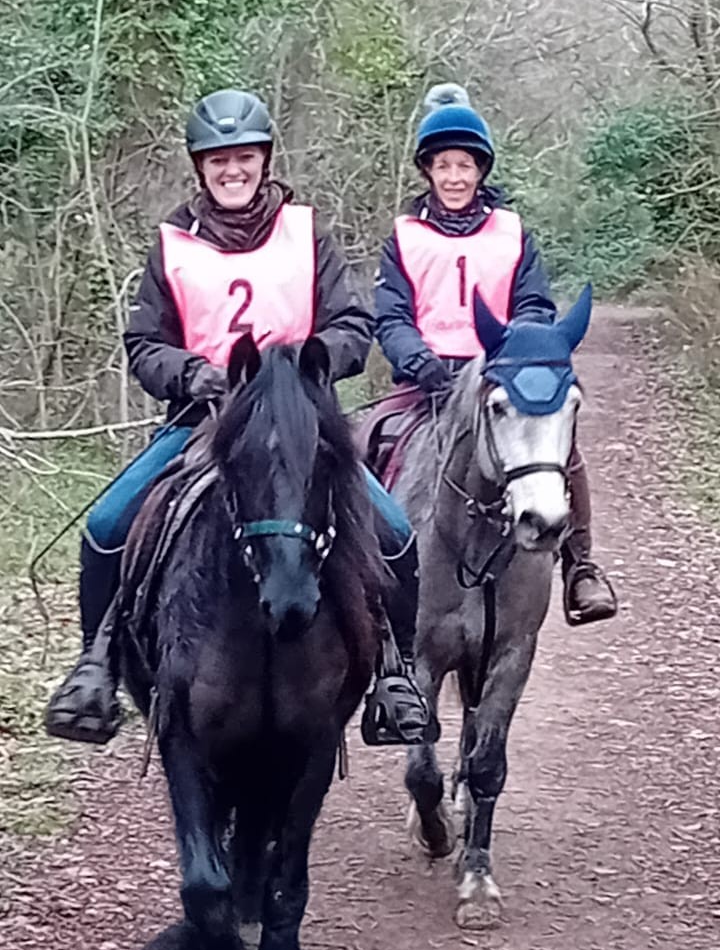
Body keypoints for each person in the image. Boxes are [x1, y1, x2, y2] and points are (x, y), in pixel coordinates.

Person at [45, 89, 427, 747]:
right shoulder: (173, 244)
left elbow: (354, 326)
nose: (232, 170)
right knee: (106, 527)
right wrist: (193, 372)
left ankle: (395, 675)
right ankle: (97, 666)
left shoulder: (308, 235)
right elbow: (145, 344)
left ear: (264, 161)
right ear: (200, 168)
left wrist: (306, 364)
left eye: (244, 158)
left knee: (394, 533)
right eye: (218, 160)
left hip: (301, 429)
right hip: (201, 423)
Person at [374, 84, 617, 626]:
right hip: (427, 381)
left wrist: (514, 354)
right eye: (444, 165)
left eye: (465, 165)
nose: (455, 176)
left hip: (501, 378)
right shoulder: (404, 237)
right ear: (428, 171)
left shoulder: (511, 233)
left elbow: (533, 302)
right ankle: (362, 575)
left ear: (480, 169)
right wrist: (419, 361)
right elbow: (390, 314)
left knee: (561, 451)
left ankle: (581, 567)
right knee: (368, 442)